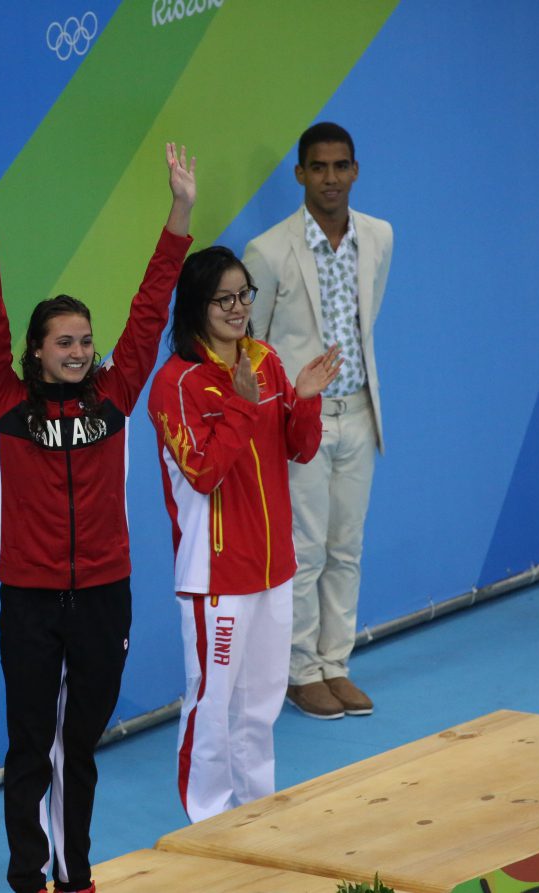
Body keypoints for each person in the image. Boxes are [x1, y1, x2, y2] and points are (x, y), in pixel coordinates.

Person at [0, 145, 195, 893]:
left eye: (86, 340)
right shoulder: (3, 405)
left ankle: (76, 870)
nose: (81, 351)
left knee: (78, 744)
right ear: (38, 353)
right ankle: (29, 876)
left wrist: (179, 212)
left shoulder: (113, 398)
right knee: (29, 746)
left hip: (105, 594)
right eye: (65, 342)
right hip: (30, 600)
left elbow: (150, 309)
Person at [147, 245, 341, 822]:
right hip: (216, 574)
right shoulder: (176, 385)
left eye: (243, 294)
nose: (237, 308)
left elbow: (300, 449)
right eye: (223, 298)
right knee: (213, 704)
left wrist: (304, 399)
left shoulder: (265, 360)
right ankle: (207, 820)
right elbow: (204, 472)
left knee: (259, 706)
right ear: (196, 307)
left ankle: (258, 812)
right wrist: (240, 406)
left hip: (273, 566)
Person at [243, 122, 393, 720]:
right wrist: (283, 413)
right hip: (303, 422)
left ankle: (336, 664)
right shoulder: (269, 250)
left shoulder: (379, 237)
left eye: (341, 166)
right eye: (319, 167)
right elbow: (253, 343)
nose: (330, 178)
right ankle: (300, 671)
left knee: (346, 547)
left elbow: (367, 316)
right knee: (303, 551)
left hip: (358, 412)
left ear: (355, 170)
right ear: (300, 173)